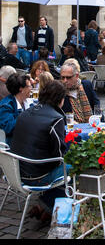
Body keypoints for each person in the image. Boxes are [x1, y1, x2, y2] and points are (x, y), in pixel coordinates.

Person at [10, 80, 68, 222]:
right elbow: (59, 155)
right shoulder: (56, 118)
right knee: (76, 167)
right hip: (36, 176)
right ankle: (53, 207)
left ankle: (45, 207)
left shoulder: (25, 112)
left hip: (16, 171)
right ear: (61, 99)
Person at [0, 73, 32, 145]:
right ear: (21, 89)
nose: (31, 88)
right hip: (12, 145)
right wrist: (27, 113)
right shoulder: (5, 106)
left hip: (26, 140)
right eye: (29, 86)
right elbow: (9, 128)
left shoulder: (28, 102)